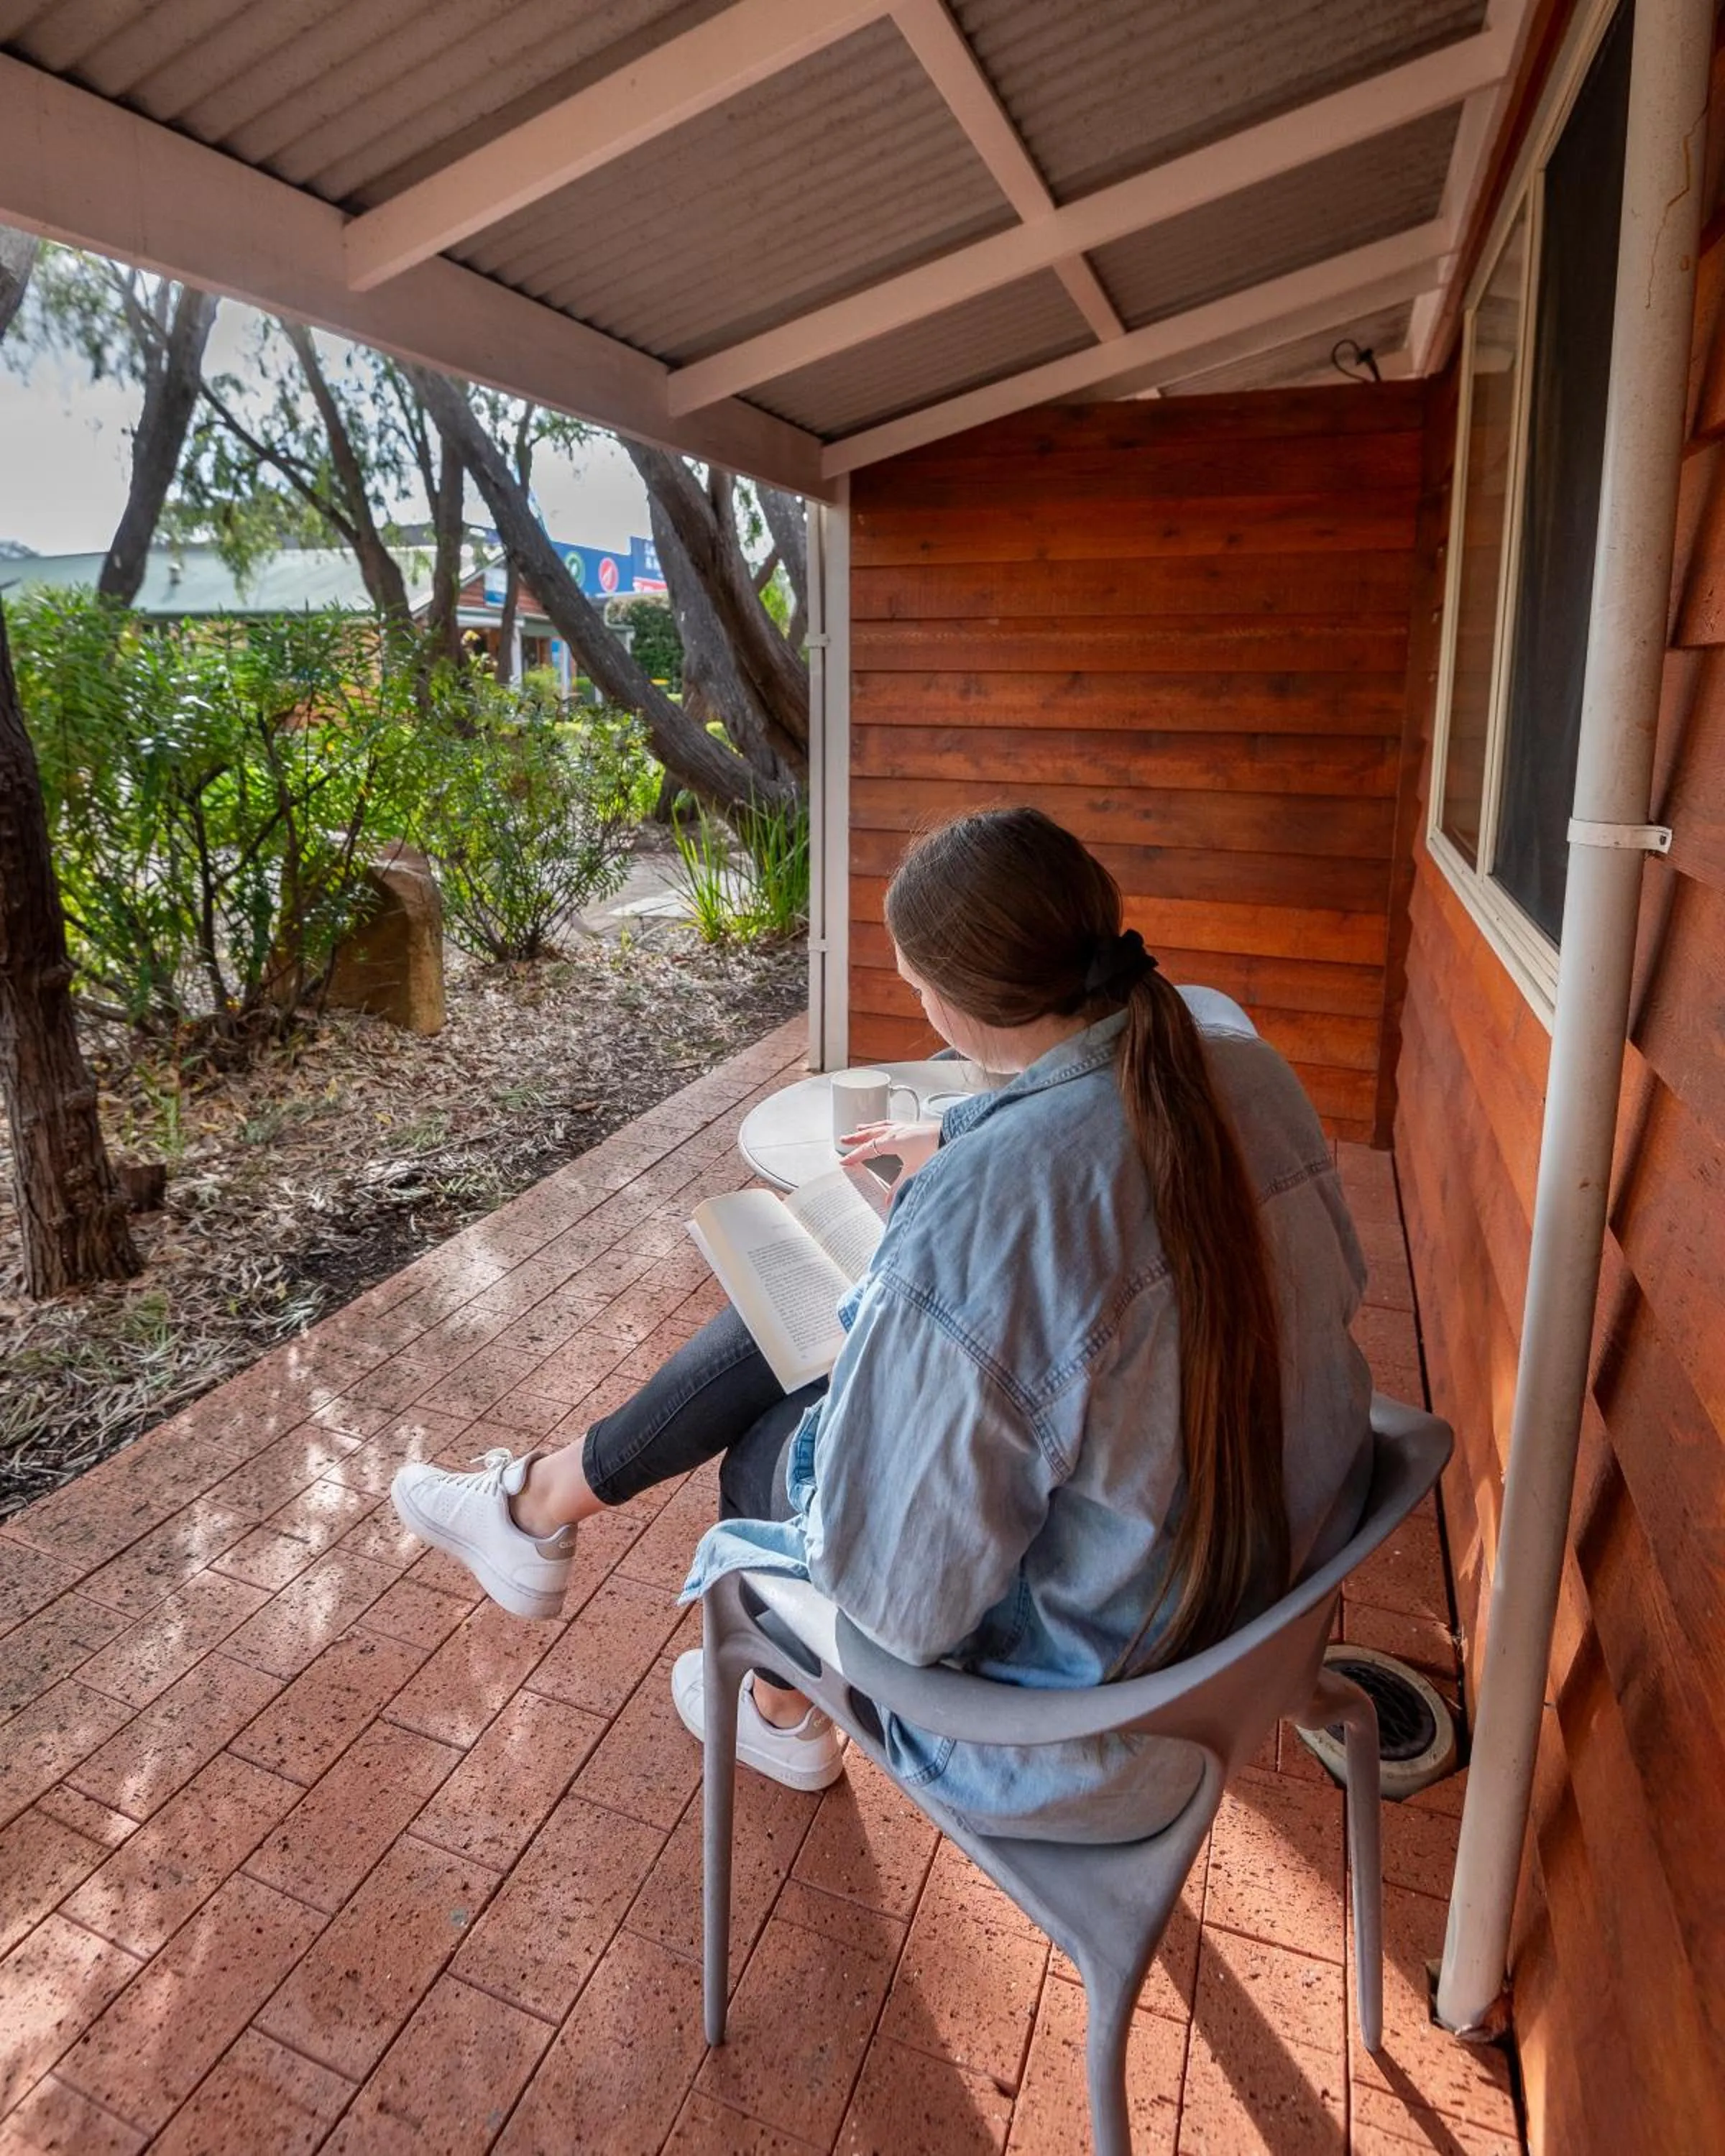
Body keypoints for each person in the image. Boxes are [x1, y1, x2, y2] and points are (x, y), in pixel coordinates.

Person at [392, 808, 1373, 1838]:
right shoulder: (1250, 1074)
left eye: (914, 986)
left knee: (770, 1435)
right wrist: (960, 1158)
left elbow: (898, 1604)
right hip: (1252, 1613)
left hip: (1079, 1726)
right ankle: (539, 1506)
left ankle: (771, 1705)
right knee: (841, 1337)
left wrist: (902, 1303)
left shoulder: (992, 1205)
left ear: (952, 1001)